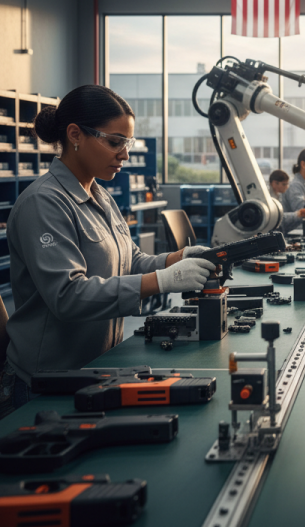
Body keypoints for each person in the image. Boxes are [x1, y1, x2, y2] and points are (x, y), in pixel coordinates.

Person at [2, 85, 216, 416]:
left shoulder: (101, 196)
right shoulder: (43, 202)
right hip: (47, 383)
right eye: (114, 142)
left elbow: (132, 261)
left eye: (126, 144)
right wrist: (162, 280)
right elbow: (67, 295)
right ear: (75, 134)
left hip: (97, 369)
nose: (124, 155)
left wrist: (180, 259)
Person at [268, 169, 305, 233]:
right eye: (284, 184)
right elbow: (277, 218)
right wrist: (297, 214)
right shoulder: (269, 199)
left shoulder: (280, 196)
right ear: (274, 183)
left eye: (287, 184)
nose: (287, 187)